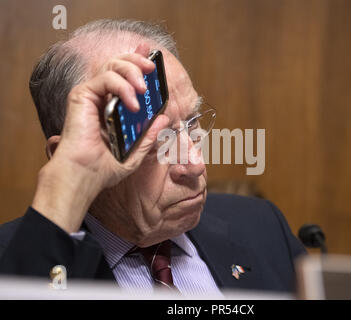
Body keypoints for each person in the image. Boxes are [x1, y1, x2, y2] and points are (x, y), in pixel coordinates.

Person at [0, 19, 306, 296]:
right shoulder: (16, 262)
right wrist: (66, 186)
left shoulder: (262, 226)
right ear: (65, 156)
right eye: (154, 141)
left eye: (192, 123)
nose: (195, 165)